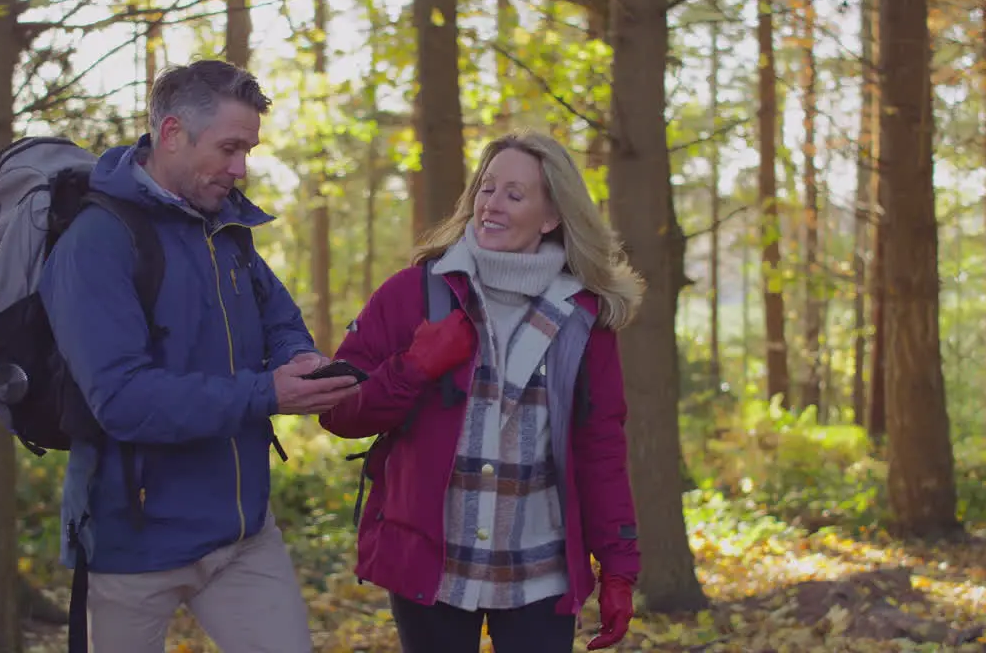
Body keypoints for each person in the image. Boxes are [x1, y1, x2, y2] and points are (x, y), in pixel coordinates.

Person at [39, 59, 359, 652]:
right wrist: (269, 393)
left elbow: (280, 321)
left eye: (249, 150)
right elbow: (124, 400)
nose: (240, 169)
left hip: (240, 536)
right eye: (229, 148)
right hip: (131, 544)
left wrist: (299, 362)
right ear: (171, 134)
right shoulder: (97, 243)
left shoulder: (223, 225)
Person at [319, 132, 643, 653]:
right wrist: (412, 368)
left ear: (551, 216)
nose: (491, 205)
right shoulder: (414, 293)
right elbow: (338, 413)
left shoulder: (584, 318)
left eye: (514, 195)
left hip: (539, 569)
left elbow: (601, 447)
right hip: (431, 562)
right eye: (486, 188)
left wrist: (619, 566)